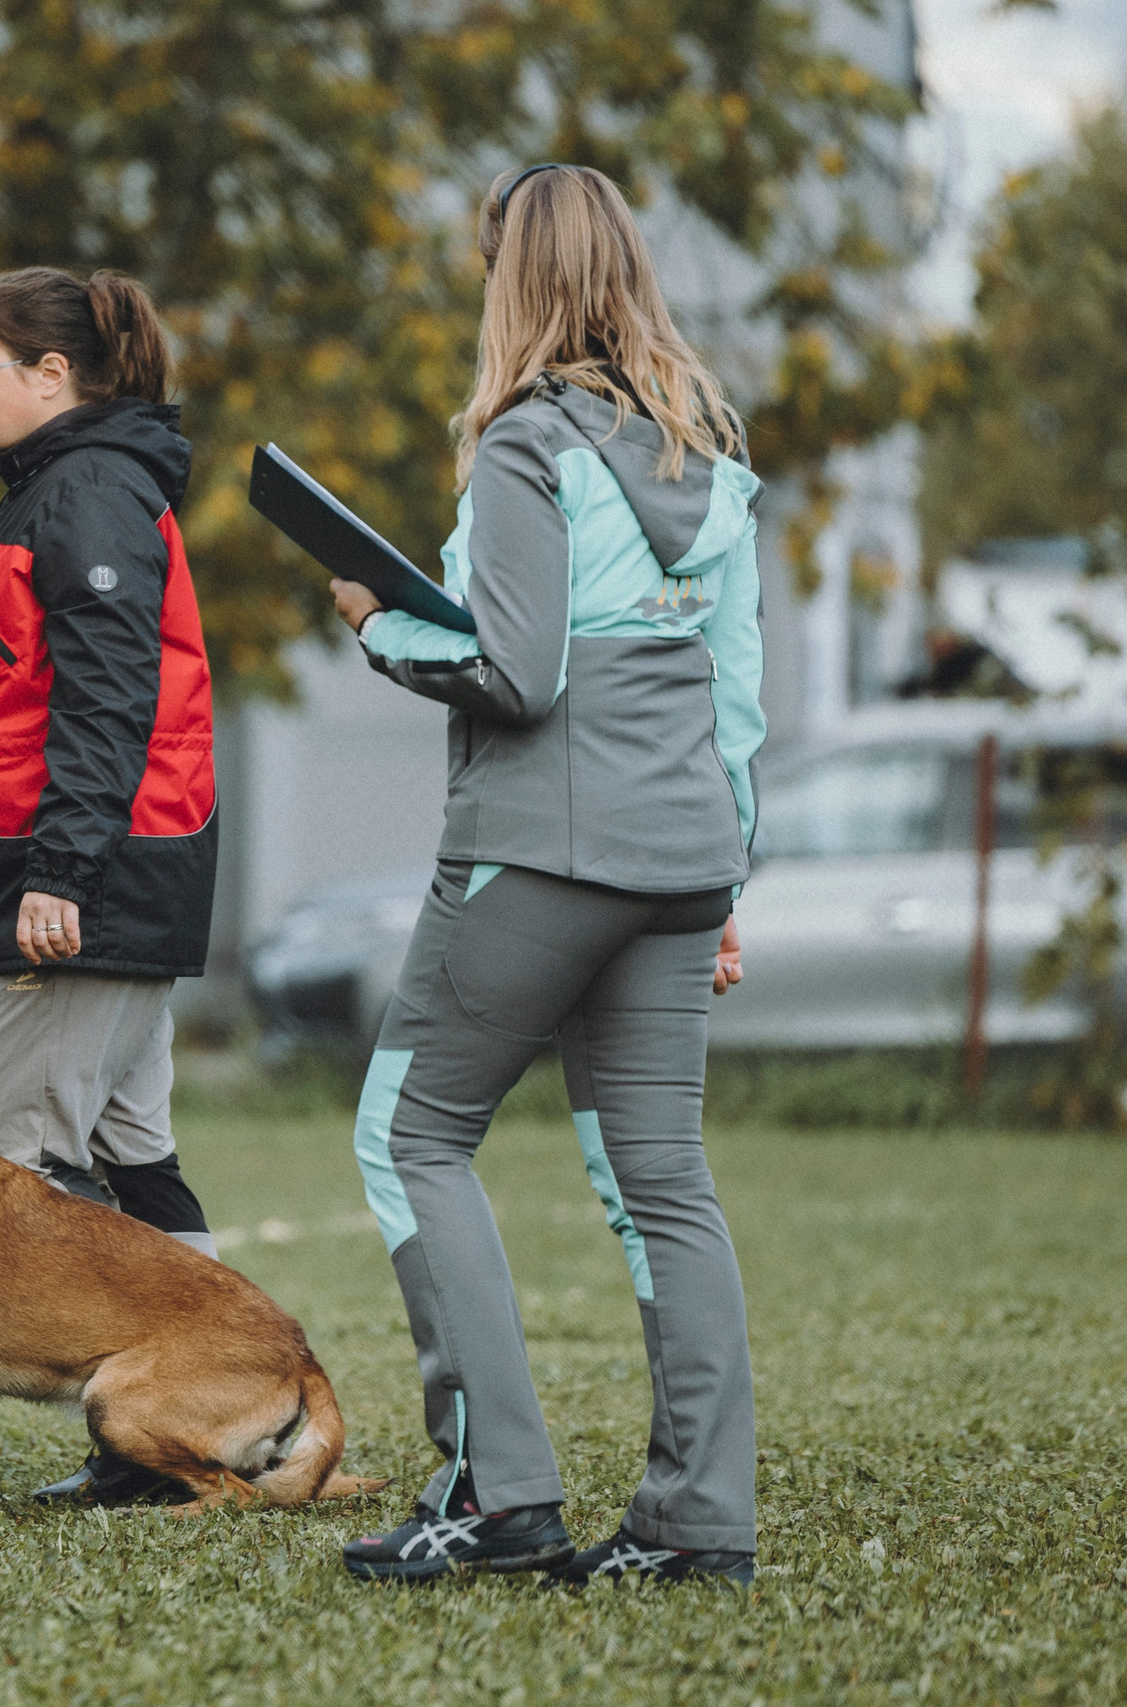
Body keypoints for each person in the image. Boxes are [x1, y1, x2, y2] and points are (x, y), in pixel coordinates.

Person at [330, 164, 766, 1588]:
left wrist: (380, 622)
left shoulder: (526, 442)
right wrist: (725, 886)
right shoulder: (705, 454)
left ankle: (499, 1492)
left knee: (413, 1133)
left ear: (510, 276)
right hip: (683, 858)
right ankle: (698, 1521)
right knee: (663, 1183)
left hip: (542, 845)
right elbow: (738, 704)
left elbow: (512, 673)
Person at [0, 265, 222, 1506]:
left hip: (78, 899)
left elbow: (112, 696)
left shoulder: (89, 490)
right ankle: (223, 1391)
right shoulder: (67, 488)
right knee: (129, 1152)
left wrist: (59, 876)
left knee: (9, 1173)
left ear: (52, 377)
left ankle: (168, 1423)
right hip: (97, 888)